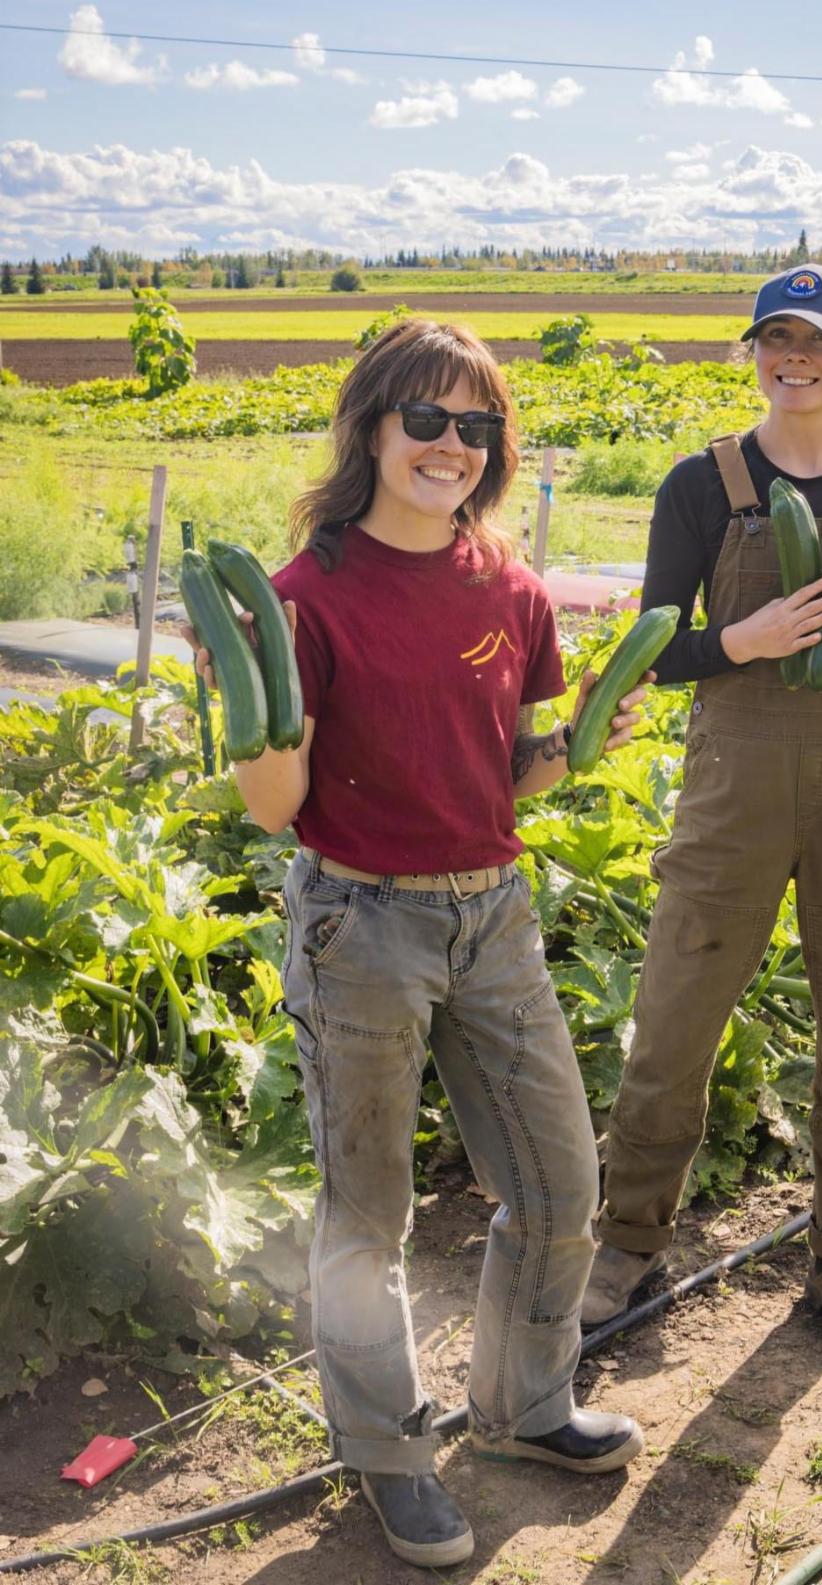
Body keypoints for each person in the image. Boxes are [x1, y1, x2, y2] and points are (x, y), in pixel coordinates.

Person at [187, 320, 649, 1569]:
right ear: (374, 425)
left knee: (559, 1181)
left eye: (475, 426)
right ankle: (389, 1452)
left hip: (491, 909)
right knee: (369, 1213)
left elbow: (507, 775)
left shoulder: (508, 585)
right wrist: (249, 698)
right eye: (427, 420)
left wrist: (600, 721)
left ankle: (525, 1403)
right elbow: (278, 810)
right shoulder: (302, 597)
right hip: (360, 921)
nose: (451, 445)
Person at [582, 265, 822, 1356]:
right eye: (774, 337)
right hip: (735, 781)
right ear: (753, 351)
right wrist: (736, 642)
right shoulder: (701, 486)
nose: (794, 356)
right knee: (676, 1013)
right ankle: (629, 1237)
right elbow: (656, 643)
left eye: (818, 340)